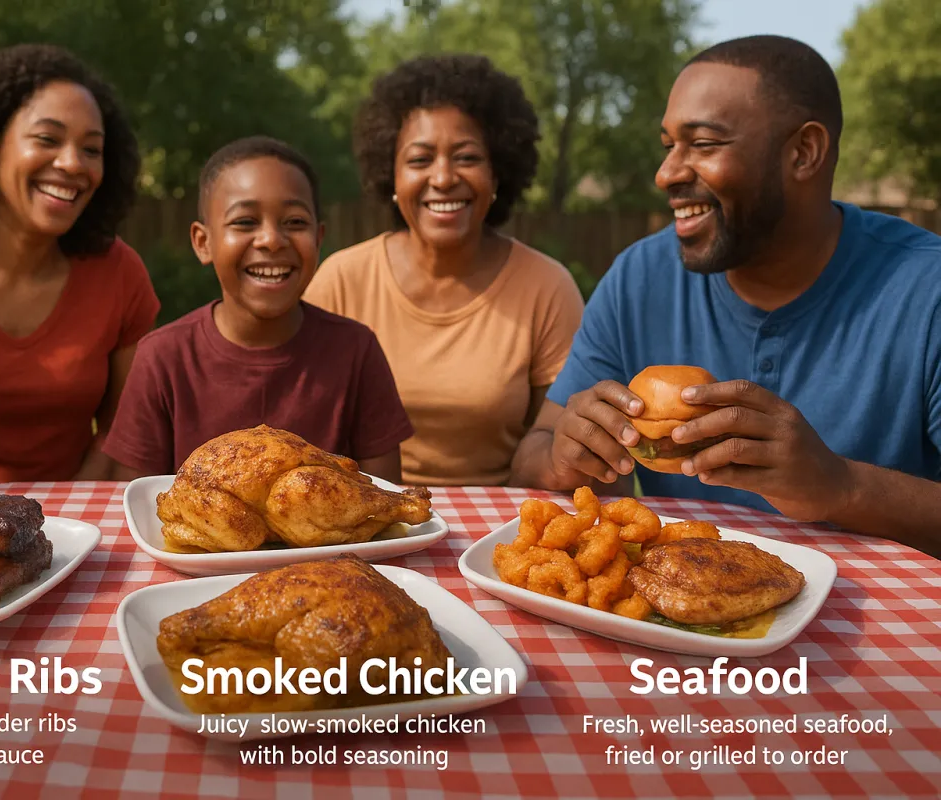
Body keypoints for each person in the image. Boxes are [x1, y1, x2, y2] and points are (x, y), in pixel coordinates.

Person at [513, 36, 941, 556]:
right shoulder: (639, 277)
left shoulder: (925, 288)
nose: (666, 173)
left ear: (804, 152)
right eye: (668, 144)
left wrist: (841, 486)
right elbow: (532, 451)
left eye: (704, 144)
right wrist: (565, 455)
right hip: (683, 603)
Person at [304, 54, 584, 487]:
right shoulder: (342, 280)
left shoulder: (547, 287)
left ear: (497, 175)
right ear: (391, 178)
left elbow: (552, 443)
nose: (443, 177)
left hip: (497, 526)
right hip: (367, 522)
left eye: (467, 157)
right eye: (420, 160)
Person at [0, 44, 160, 483]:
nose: (71, 164)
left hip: (69, 522)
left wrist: (67, 519)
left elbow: (123, 430)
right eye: (47, 139)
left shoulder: (119, 272)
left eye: (91, 149)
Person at [103, 136, 414, 482]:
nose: (271, 240)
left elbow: (386, 500)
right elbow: (136, 502)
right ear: (203, 242)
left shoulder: (356, 351)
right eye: (245, 222)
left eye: (295, 222)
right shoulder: (162, 358)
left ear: (318, 238)